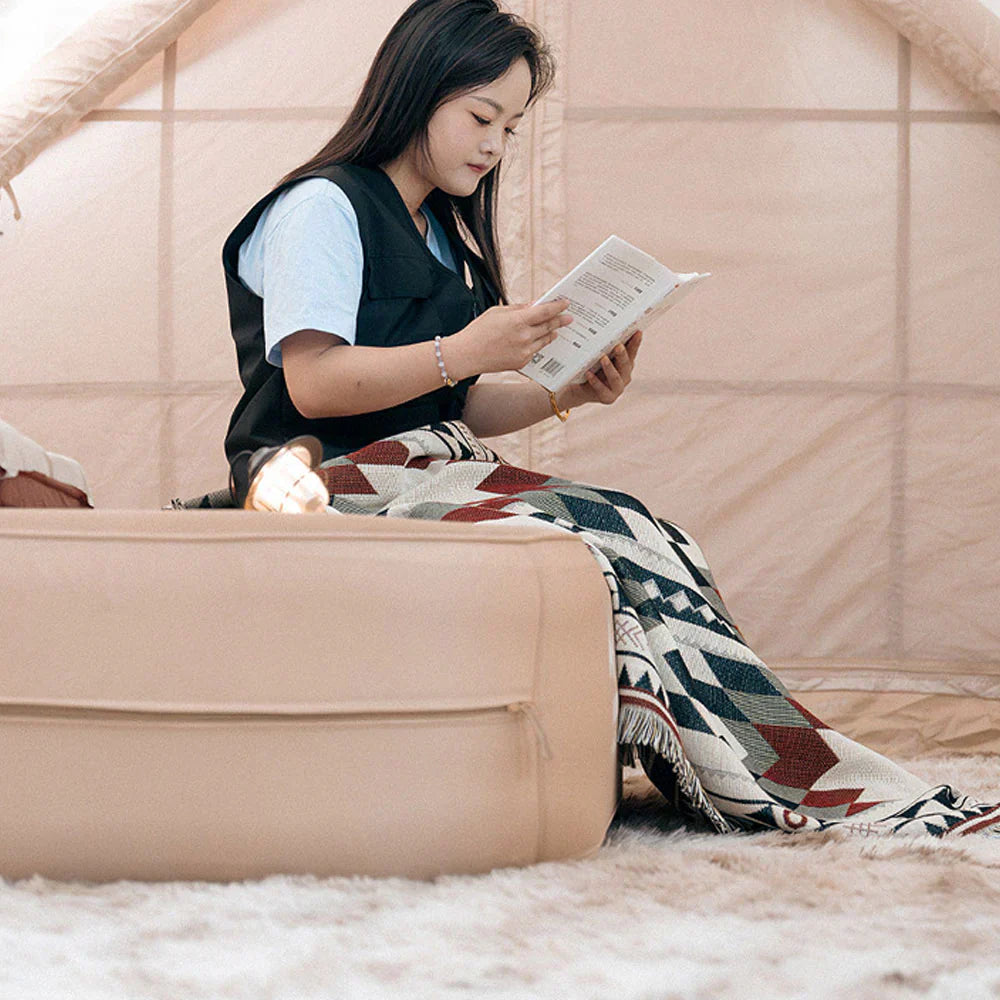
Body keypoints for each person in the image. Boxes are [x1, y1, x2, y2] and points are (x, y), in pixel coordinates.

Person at [220, 0, 998, 839]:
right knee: (597, 536)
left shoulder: (440, 230)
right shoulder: (323, 207)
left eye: (511, 127)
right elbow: (315, 385)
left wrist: (569, 392)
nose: (495, 145)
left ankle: (785, 764)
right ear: (415, 93)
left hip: (428, 461)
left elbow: (452, 403)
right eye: (482, 117)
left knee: (643, 529)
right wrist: (468, 347)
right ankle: (765, 779)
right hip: (324, 479)